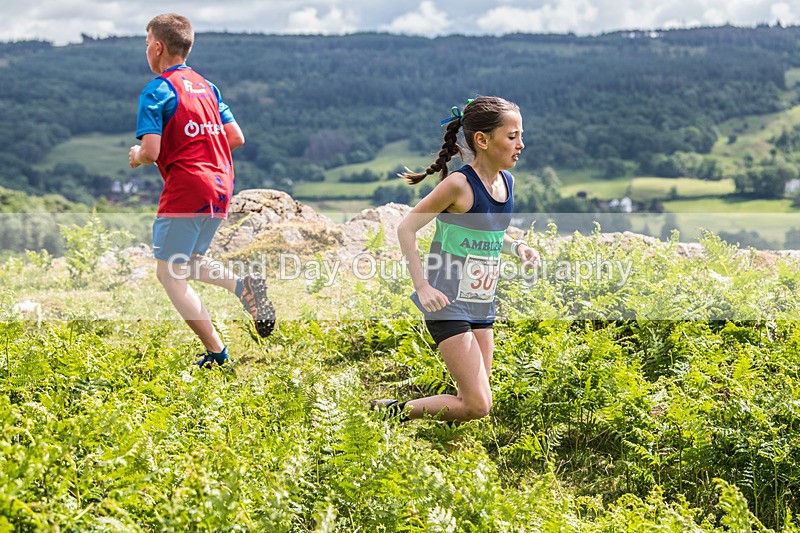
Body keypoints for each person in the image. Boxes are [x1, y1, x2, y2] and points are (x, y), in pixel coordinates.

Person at [373, 96, 539, 422]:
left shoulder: (506, 182)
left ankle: (417, 426)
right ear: (482, 140)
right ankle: (389, 412)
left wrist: (517, 247)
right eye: (512, 136)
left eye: (521, 135)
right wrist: (422, 287)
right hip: (447, 302)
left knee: (472, 401)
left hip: (481, 303)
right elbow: (406, 228)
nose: (521, 144)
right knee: (479, 405)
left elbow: (490, 233)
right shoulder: (459, 185)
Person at [129, 13, 274, 368]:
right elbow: (235, 137)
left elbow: (151, 151)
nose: (146, 50)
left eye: (146, 43)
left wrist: (137, 156)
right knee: (187, 261)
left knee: (169, 274)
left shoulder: (157, 90)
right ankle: (243, 287)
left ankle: (217, 354)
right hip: (221, 185)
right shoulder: (207, 87)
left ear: (158, 47)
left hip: (187, 188)